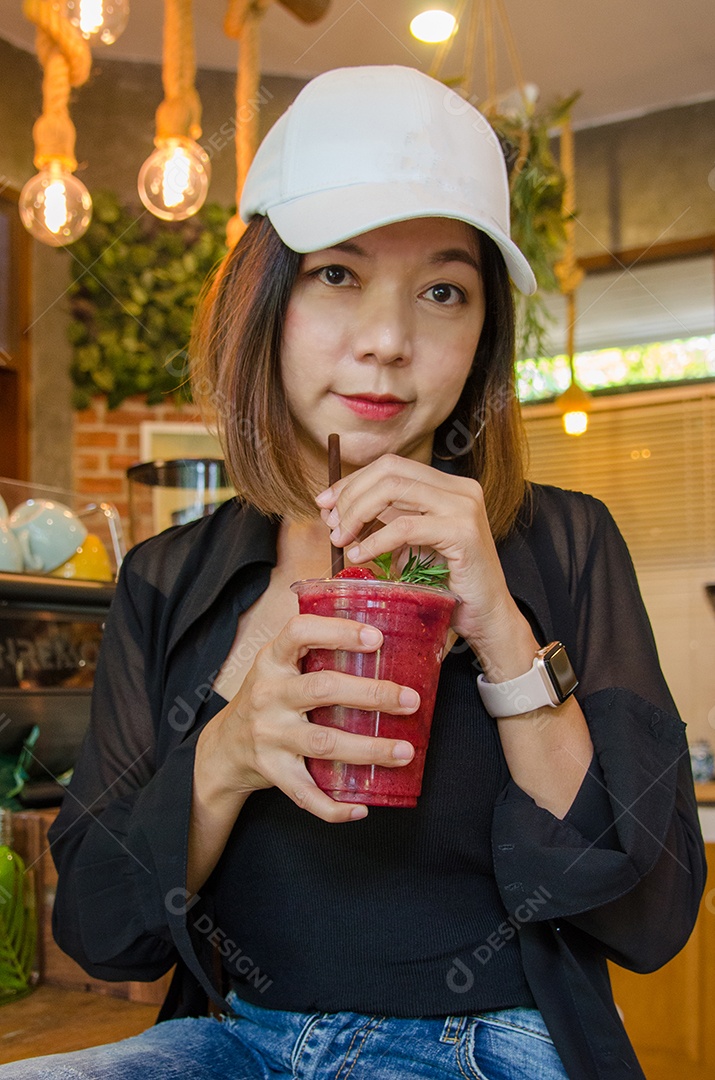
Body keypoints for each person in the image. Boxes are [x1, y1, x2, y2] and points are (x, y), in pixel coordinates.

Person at [5, 66, 705, 1080]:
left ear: (482, 334)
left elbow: (650, 917)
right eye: (337, 272)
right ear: (264, 295)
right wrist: (229, 751)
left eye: (443, 291)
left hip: (486, 1046)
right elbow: (107, 929)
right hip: (233, 1040)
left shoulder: (562, 545)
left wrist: (501, 632)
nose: (386, 343)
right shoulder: (169, 577)